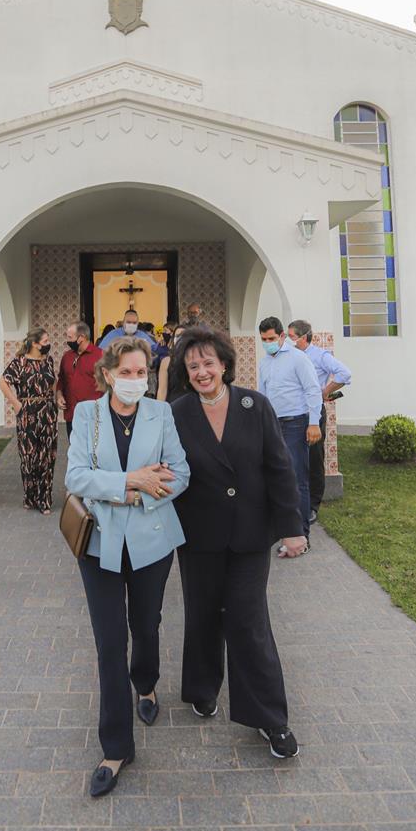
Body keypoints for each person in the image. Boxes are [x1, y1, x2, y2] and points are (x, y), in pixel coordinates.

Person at [170, 328, 305, 759]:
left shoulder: (255, 405)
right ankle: (202, 687)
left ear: (224, 364)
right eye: (193, 366)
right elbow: (166, 471)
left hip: (250, 534)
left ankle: (270, 718)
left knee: (248, 621)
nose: (202, 371)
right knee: (203, 613)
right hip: (198, 535)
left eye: (209, 363)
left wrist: (293, 527)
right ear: (185, 373)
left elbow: (279, 469)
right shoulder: (176, 413)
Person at [65, 337, 190, 797]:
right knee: (109, 641)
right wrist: (131, 482)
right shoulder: (87, 415)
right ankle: (116, 747)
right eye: (128, 372)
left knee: (146, 622)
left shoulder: (162, 414)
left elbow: (180, 473)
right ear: (109, 373)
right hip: (98, 544)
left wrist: (139, 491)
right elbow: (75, 476)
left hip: (152, 541)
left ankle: (148, 683)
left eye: (143, 373)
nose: (136, 380)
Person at [257, 317, 322, 551]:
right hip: (272, 425)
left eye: (271, 339)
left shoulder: (298, 358)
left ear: (282, 336)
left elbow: (313, 390)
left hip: (296, 423)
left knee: (296, 479)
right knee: (274, 477)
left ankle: (301, 536)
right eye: (264, 340)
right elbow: (262, 396)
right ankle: (281, 531)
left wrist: (314, 423)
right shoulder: (264, 362)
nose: (268, 343)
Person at [287, 319, 352, 523]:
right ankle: (295, 501)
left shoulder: (319, 355)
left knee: (314, 457)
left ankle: (313, 505)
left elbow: (345, 373)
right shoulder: (289, 356)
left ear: (304, 337)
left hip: (313, 413)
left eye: (291, 337)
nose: (288, 341)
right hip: (292, 413)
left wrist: (325, 391)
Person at [0, 328, 58, 514]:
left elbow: (53, 381)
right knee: (29, 457)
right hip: (27, 412)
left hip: (47, 412)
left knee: (47, 456)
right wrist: (16, 404)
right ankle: (30, 496)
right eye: (45, 340)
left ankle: (44, 499)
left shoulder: (48, 360)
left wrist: (56, 397)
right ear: (35, 343)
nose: (48, 343)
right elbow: (3, 382)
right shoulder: (20, 362)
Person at [56, 321, 103, 440]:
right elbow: (61, 379)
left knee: (95, 453)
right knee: (75, 452)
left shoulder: (101, 356)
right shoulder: (67, 356)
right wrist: (59, 394)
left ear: (81, 337)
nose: (67, 340)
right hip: (71, 415)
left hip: (94, 417)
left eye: (70, 337)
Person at [156, 323, 188, 403]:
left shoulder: (197, 361)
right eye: (177, 336)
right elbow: (162, 390)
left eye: (183, 336)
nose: (180, 339)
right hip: (172, 406)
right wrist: (159, 412)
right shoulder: (166, 361)